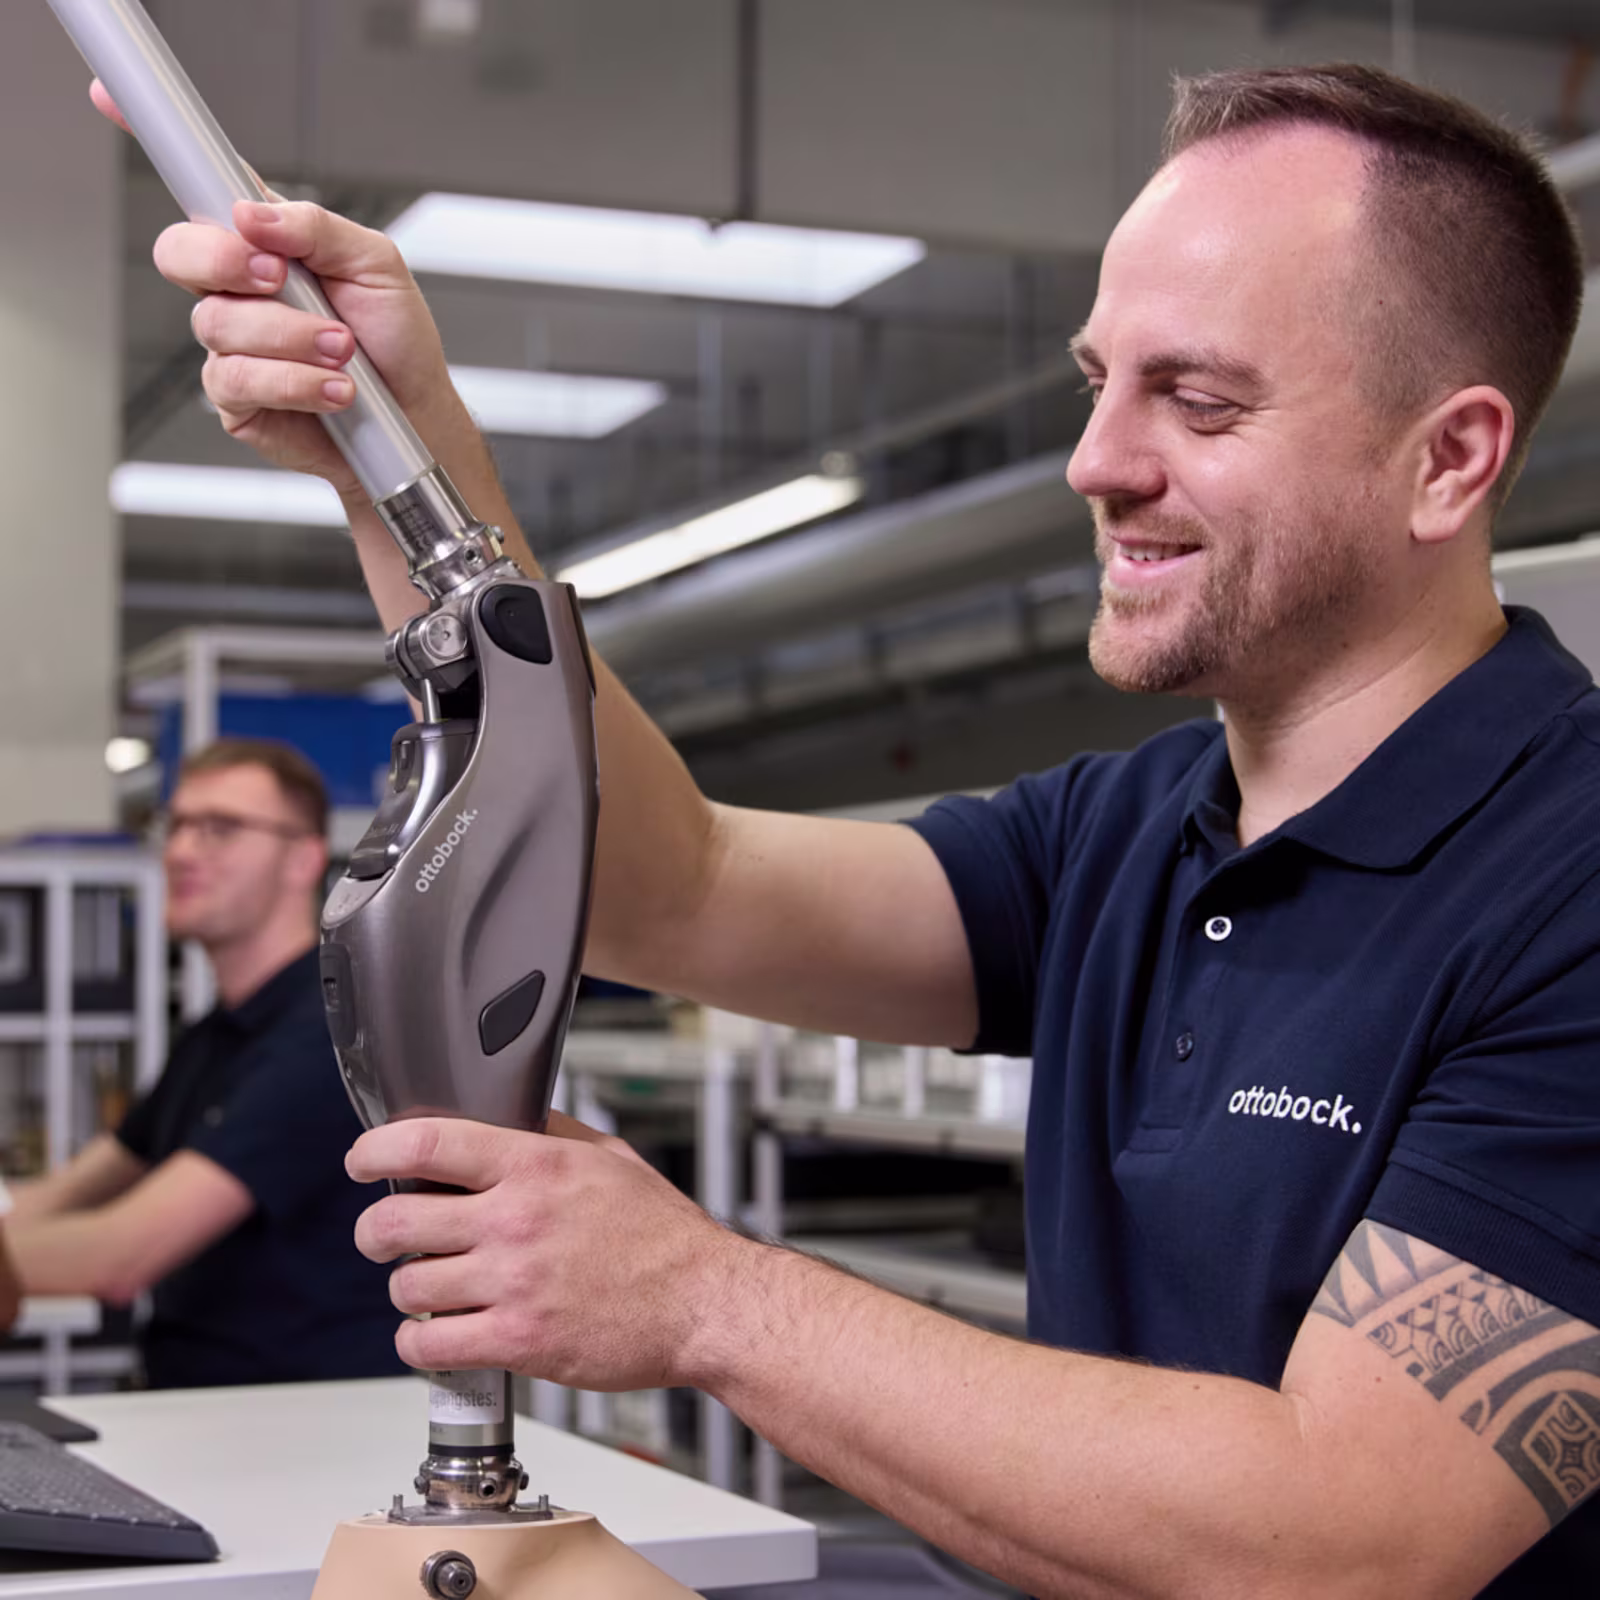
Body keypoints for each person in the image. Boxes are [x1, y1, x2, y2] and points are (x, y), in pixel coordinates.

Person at [123, 59, 1600, 1594]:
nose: (1096, 464)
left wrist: (708, 1301)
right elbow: (668, 889)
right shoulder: (1128, 832)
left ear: (1449, 459)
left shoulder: (1569, 884)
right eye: (1102, 382)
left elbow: (1354, 1541)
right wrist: (399, 447)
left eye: (1202, 400)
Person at [6, 739, 406, 1389]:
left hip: (301, 1426)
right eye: (178, 826)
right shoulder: (215, 1035)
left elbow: (120, 1254)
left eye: (221, 828)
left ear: (303, 858)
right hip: (200, 1406)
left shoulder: (326, 1037)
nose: (182, 852)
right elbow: (65, 1194)